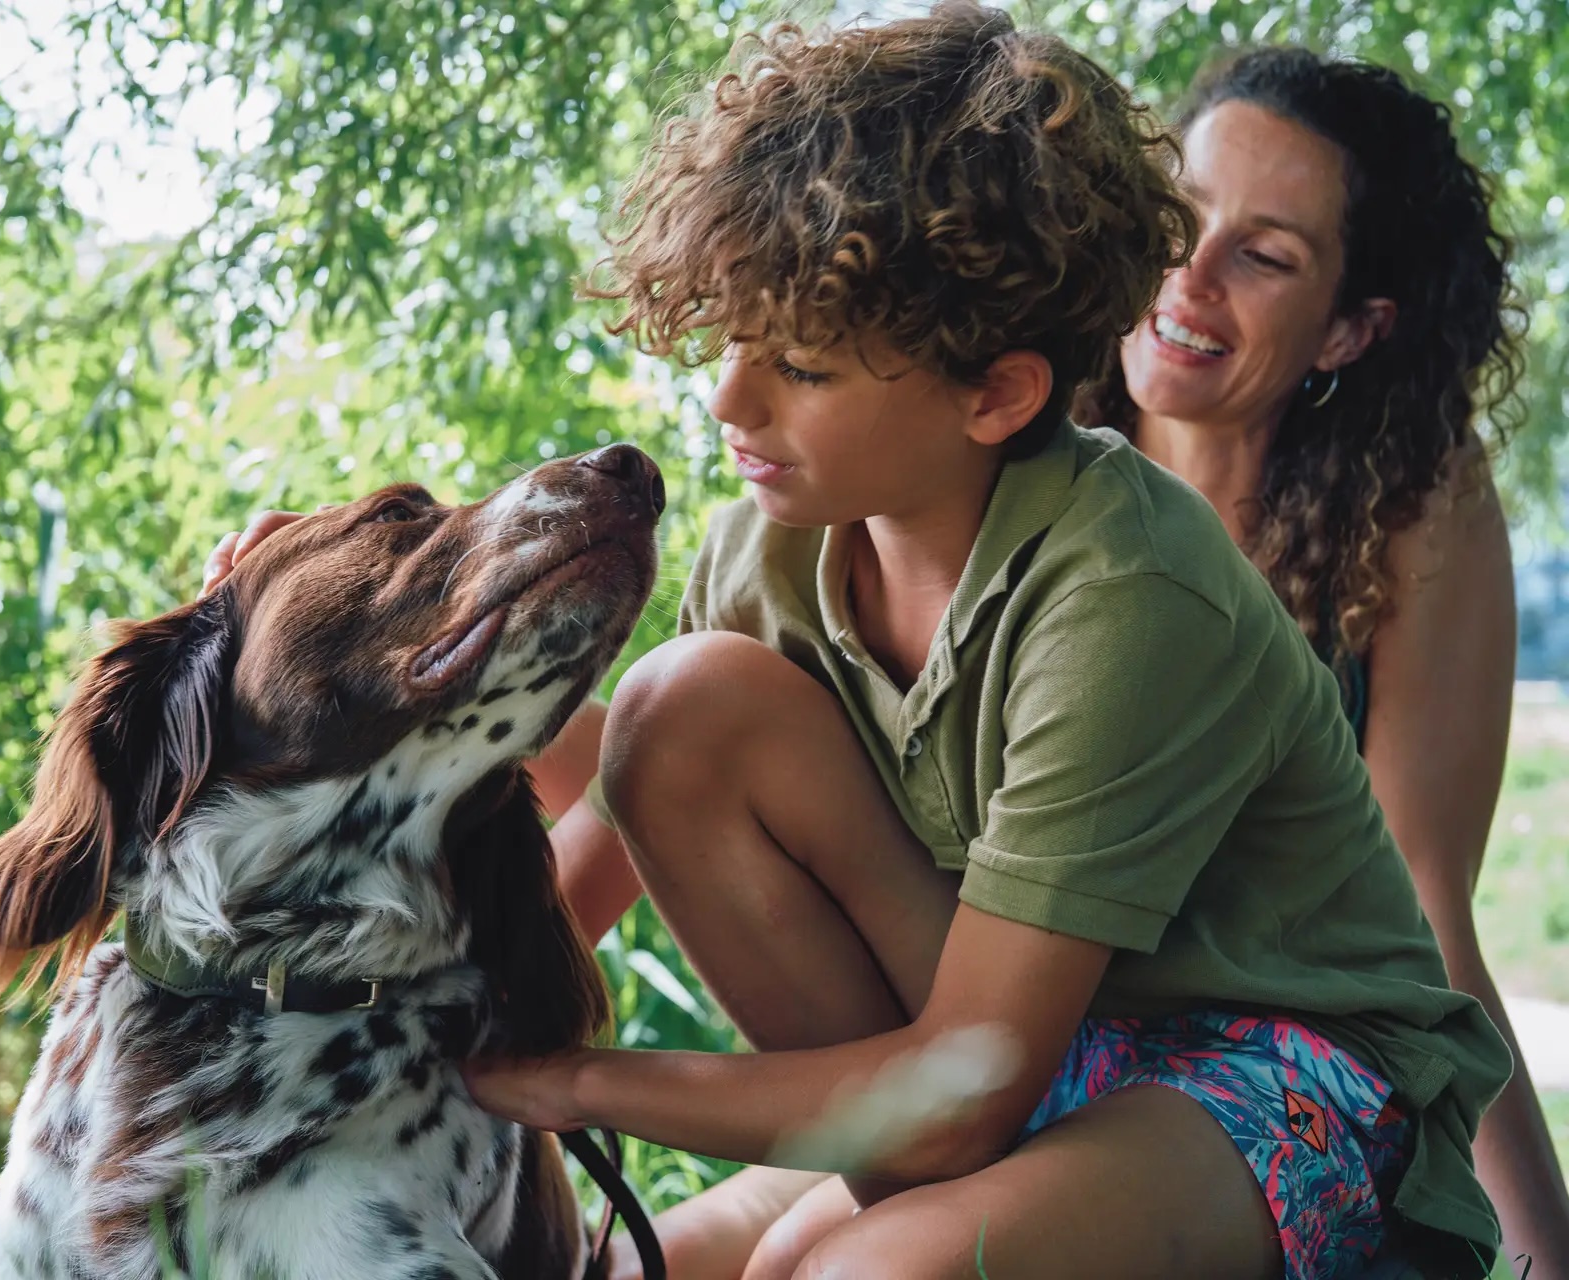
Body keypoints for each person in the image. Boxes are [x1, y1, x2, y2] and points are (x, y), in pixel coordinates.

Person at [203, 8, 1513, 1276]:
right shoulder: (765, 556)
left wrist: (580, 1085)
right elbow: (546, 922)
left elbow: (963, 1085)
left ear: (997, 393)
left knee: (861, 1272)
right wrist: (284, 766)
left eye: (806, 369)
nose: (727, 399)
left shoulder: (1130, 586)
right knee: (680, 707)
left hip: (1286, 1073)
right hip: (1035, 1052)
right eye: (732, 338)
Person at [1075, 47, 1569, 1274]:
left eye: (1265, 254)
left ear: (1351, 328)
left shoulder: (1414, 505)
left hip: (1300, 1084)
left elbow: (1422, 905)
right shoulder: (1021, 434)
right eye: (1183, 217)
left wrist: (1548, 1252)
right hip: (1035, 1051)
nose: (1188, 278)